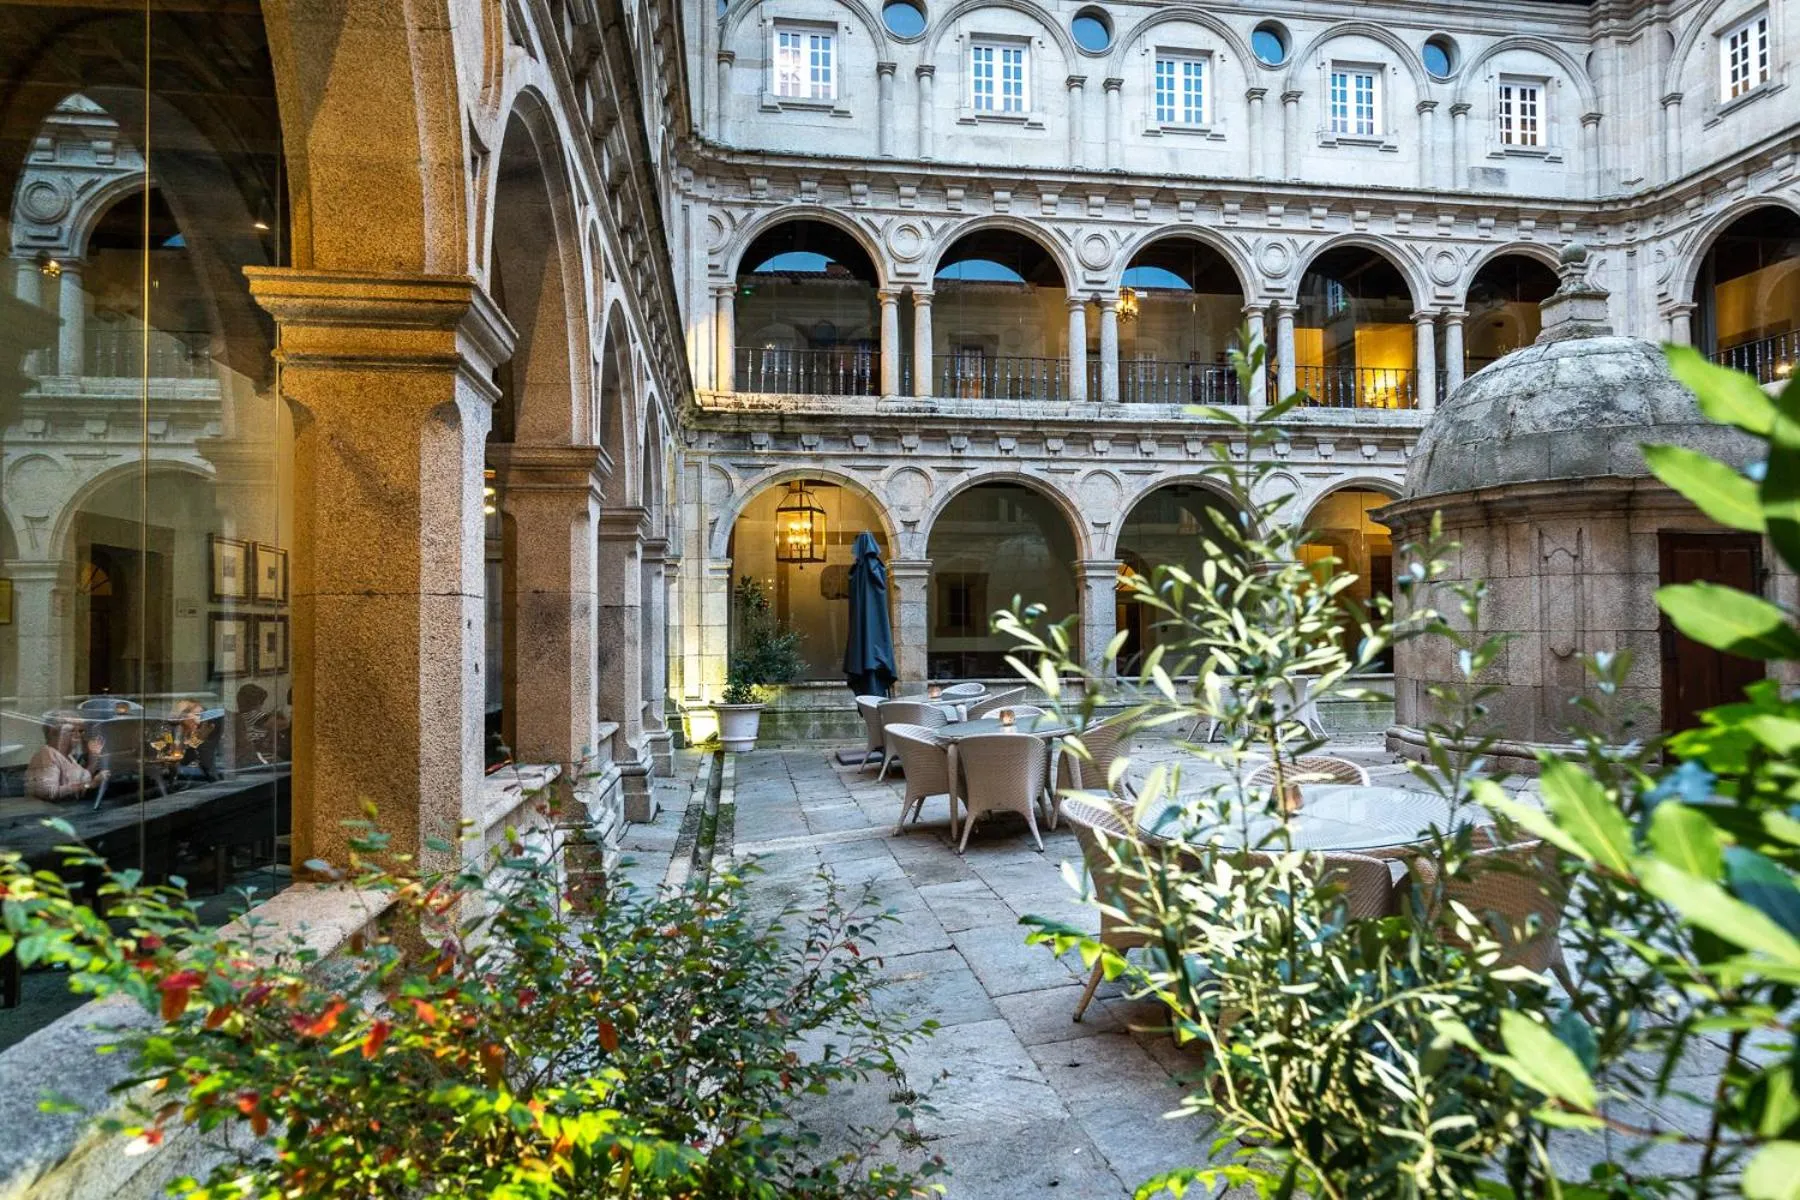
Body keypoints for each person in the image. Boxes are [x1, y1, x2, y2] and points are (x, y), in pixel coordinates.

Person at [25, 720, 106, 803]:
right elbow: (49, 792)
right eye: (72, 731)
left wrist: (93, 756)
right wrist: (90, 785)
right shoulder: (47, 754)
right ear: (55, 734)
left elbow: (82, 778)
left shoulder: (68, 756)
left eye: (81, 731)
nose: (78, 735)